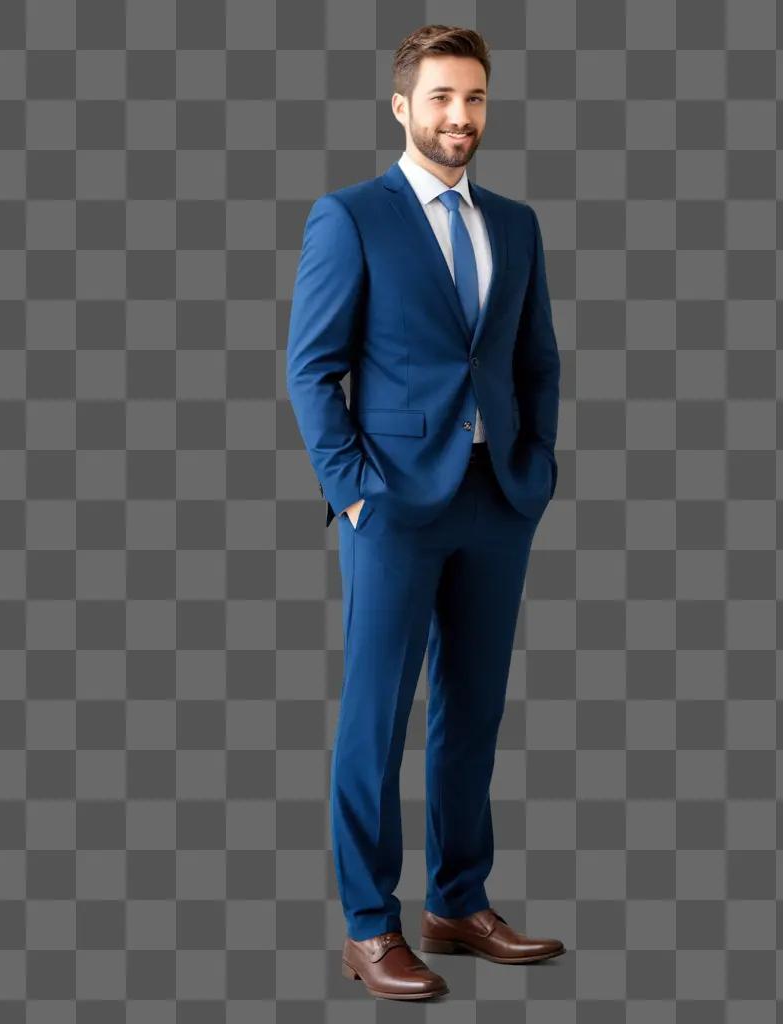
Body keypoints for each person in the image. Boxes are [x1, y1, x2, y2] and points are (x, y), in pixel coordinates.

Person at [286, 24, 565, 1001]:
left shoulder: (516, 224)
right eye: (442, 97)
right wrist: (354, 490)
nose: (460, 117)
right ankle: (370, 924)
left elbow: (535, 359)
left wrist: (535, 465)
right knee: (375, 716)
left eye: (475, 99)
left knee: (473, 711)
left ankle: (458, 900)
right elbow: (310, 367)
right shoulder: (351, 216)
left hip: (498, 501)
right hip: (393, 508)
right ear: (402, 106)